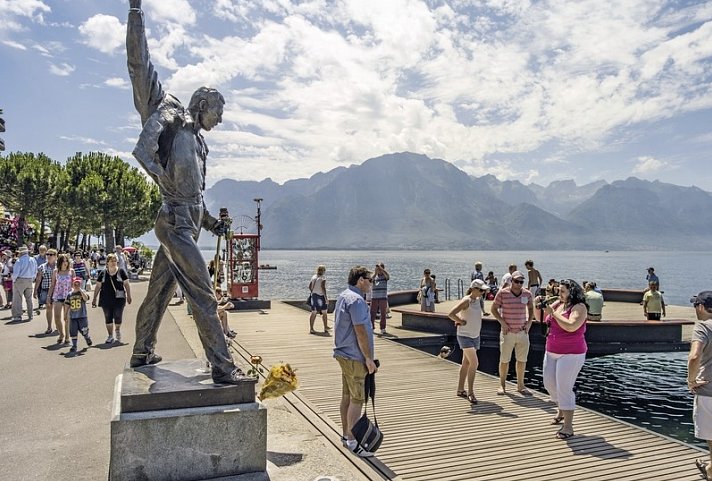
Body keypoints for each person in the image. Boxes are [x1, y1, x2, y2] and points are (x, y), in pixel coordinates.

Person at [126, 0, 245, 384]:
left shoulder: (199, 144)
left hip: (188, 222)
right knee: (203, 295)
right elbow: (139, 67)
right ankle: (223, 368)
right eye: (219, 111)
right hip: (174, 222)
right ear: (203, 104)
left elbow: (196, 194)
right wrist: (135, 12)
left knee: (159, 292)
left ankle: (142, 349)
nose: (222, 118)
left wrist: (211, 223)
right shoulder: (171, 121)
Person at [333, 266, 377, 457]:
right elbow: (360, 331)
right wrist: (368, 358)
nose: (371, 283)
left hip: (343, 354)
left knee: (347, 396)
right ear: (361, 280)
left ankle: (345, 435)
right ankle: (353, 441)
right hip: (355, 357)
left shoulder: (344, 295)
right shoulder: (357, 300)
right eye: (370, 280)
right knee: (357, 399)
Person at [542, 279, 588, 439]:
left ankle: (568, 426)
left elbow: (571, 326)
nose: (558, 294)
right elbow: (542, 319)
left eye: (562, 291)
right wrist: (537, 306)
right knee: (548, 382)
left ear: (572, 292)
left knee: (564, 387)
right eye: (558, 290)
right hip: (552, 350)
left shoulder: (579, 307)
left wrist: (552, 313)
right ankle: (561, 408)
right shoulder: (557, 304)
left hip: (571, 353)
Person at [491, 270, 534, 395]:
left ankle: (520, 386)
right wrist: (502, 322)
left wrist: (530, 322)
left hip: (522, 332)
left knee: (522, 360)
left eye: (521, 281)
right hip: (507, 332)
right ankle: (502, 385)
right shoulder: (503, 293)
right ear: (511, 281)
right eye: (516, 281)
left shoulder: (527, 294)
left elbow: (531, 308)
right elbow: (493, 309)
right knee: (504, 360)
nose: (519, 284)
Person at [448, 279, 488, 404]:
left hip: (475, 335)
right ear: (474, 289)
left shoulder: (478, 300)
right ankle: (470, 392)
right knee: (474, 363)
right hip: (465, 336)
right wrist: (460, 320)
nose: (482, 292)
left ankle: (460, 389)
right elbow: (451, 313)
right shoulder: (467, 300)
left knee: (466, 362)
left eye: (483, 290)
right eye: (480, 290)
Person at [688, 291, 712, 480]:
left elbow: (695, 356)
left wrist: (691, 380)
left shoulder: (703, 327)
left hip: (708, 391)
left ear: (701, 307)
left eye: (695, 305)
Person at [92, 253, 131, 344]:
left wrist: (129, 295)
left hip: (119, 299)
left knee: (118, 316)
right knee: (108, 317)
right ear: (107, 263)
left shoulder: (121, 272)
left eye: (115, 261)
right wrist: (94, 298)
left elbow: (126, 284)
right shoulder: (103, 273)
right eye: (111, 261)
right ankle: (110, 335)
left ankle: (117, 329)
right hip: (106, 299)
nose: (113, 263)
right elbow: (98, 286)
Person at [48, 254, 75, 344]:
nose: (65, 263)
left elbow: (75, 285)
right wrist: (49, 297)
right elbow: (52, 285)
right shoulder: (56, 271)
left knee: (67, 318)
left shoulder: (71, 271)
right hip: (57, 296)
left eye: (66, 261)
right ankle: (61, 334)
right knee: (57, 317)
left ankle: (67, 336)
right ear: (59, 262)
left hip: (68, 297)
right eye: (63, 261)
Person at [65, 277, 92, 355]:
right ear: (72, 285)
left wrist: (80, 290)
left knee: (84, 330)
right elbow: (67, 305)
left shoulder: (82, 292)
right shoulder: (69, 294)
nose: (77, 285)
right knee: (73, 331)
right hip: (73, 317)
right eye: (75, 284)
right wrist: (65, 314)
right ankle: (74, 345)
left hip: (82, 316)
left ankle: (87, 337)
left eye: (78, 284)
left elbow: (86, 299)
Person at [11, 246, 38, 323]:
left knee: (17, 298)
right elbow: (35, 271)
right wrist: (32, 279)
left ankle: (17, 316)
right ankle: (30, 314)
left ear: (21, 253)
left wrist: (14, 280)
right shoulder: (33, 260)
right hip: (29, 280)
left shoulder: (19, 261)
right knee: (29, 299)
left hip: (20, 280)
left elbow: (16, 273)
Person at [34, 248, 57, 333]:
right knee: (48, 308)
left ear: (55, 256)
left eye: (51, 255)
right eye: (47, 254)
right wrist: (35, 290)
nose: (48, 256)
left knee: (57, 309)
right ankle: (49, 327)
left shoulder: (59, 266)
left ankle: (58, 325)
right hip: (45, 289)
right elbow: (38, 279)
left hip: (57, 290)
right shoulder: (42, 266)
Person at [308, 265, 329, 334]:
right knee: (324, 312)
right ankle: (325, 328)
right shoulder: (323, 278)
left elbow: (309, 286)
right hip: (321, 296)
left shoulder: (313, 277)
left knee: (313, 312)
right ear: (323, 271)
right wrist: (326, 298)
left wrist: (313, 292)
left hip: (314, 296)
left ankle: (311, 328)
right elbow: (323, 288)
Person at [370, 263, 390, 335]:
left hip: (383, 297)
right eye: (377, 269)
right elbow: (370, 281)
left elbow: (388, 276)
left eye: (380, 269)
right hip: (374, 297)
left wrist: (382, 269)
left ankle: (382, 328)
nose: (378, 270)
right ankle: (371, 327)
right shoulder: (374, 276)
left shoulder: (385, 277)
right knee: (372, 313)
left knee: (383, 313)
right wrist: (375, 273)